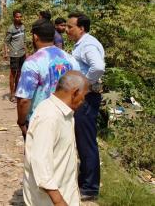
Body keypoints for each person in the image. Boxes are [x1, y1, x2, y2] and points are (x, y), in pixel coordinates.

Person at [23, 71, 89, 206]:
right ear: (75, 92)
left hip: (64, 193)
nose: (83, 101)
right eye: (83, 96)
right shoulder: (49, 117)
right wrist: (58, 200)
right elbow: (40, 161)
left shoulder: (65, 113)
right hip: (50, 200)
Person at [15, 19, 80, 138]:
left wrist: (21, 122)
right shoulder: (70, 59)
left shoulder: (32, 63)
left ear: (35, 37)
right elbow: (78, 92)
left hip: (40, 122)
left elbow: (24, 100)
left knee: (38, 156)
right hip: (65, 120)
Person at [66, 12, 105, 201]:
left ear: (81, 28)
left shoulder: (88, 44)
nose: (67, 30)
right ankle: (85, 181)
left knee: (86, 142)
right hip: (85, 97)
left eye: (70, 26)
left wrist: (84, 85)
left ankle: (90, 188)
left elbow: (98, 67)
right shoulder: (83, 44)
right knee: (82, 141)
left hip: (87, 99)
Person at [4, 10, 27, 102]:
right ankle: (12, 94)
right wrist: (6, 53)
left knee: (20, 74)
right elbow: (6, 42)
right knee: (13, 74)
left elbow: (24, 41)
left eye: (20, 16)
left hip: (22, 54)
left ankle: (17, 92)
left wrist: (26, 52)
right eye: (17, 17)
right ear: (14, 17)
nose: (19, 18)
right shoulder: (11, 29)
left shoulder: (23, 26)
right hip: (14, 54)